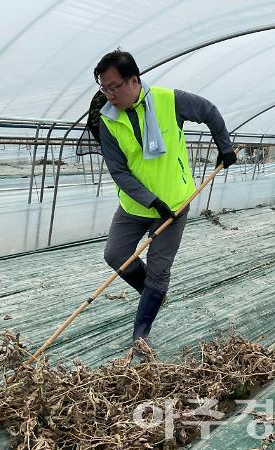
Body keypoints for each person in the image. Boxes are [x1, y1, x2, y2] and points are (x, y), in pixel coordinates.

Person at [92, 49, 236, 356]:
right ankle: (153, 294)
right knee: (115, 254)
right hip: (135, 205)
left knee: (159, 269)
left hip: (173, 204)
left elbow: (209, 110)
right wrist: (149, 200)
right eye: (105, 88)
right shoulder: (108, 120)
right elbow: (118, 170)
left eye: (115, 86)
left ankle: (140, 332)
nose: (110, 94)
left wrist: (224, 147)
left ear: (134, 80)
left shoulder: (170, 100)